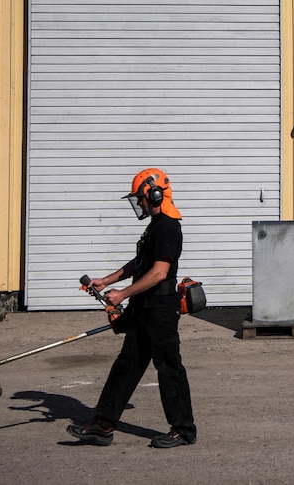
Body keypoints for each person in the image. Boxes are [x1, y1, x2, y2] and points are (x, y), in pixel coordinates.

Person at [66, 167, 197, 448]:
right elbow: (139, 265)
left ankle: (184, 430)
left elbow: (160, 272)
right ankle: (103, 425)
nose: (139, 203)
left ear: (156, 194)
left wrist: (122, 293)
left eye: (141, 197)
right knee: (127, 365)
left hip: (160, 310)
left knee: (169, 368)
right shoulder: (155, 226)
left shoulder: (168, 227)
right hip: (144, 307)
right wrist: (106, 281)